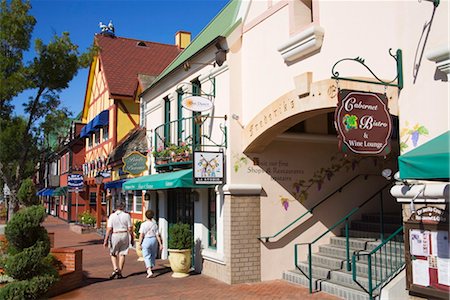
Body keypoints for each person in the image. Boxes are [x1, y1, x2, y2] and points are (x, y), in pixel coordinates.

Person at [103, 202, 133, 279]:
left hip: (115, 234)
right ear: (123, 207)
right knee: (122, 253)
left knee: (113, 253)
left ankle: (115, 268)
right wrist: (132, 237)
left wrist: (105, 240)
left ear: (116, 208)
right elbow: (130, 228)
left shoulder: (112, 216)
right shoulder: (127, 216)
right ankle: (120, 271)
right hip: (124, 234)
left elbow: (109, 229)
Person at [138, 209, 163, 278]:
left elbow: (141, 235)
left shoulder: (143, 224)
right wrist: (160, 244)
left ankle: (149, 270)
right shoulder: (154, 224)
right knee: (152, 254)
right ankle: (151, 266)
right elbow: (157, 235)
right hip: (154, 240)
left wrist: (140, 243)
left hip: (146, 239)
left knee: (146, 255)